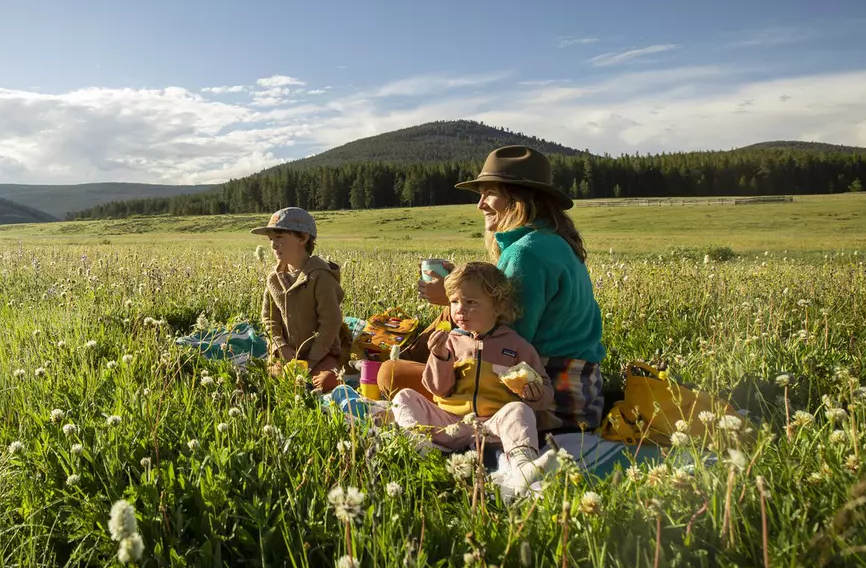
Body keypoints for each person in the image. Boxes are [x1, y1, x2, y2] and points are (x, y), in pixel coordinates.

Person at [378, 145, 606, 431]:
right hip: (584, 390)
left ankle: (392, 359)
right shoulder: (554, 241)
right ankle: (408, 355)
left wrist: (451, 300)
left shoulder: (525, 254)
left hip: (545, 395)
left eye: (489, 193)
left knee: (390, 374)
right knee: (448, 317)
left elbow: (503, 340)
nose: (480, 204)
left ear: (519, 199)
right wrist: (462, 290)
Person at [389, 262, 555, 498]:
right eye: (454, 301)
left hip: (492, 427)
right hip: (450, 423)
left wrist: (536, 394)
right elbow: (438, 389)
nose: (460, 310)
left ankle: (523, 466)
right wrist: (439, 356)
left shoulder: (516, 346)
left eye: (470, 302)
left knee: (519, 411)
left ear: (498, 306)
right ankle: (417, 444)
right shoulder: (450, 341)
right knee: (404, 397)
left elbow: (545, 390)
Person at [251, 207, 348, 393]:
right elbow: (269, 319)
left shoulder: (320, 277)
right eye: (271, 239)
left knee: (327, 381)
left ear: (303, 238)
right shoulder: (274, 279)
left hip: (322, 354)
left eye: (280, 237)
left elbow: (330, 322)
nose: (273, 245)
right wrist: (281, 347)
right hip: (288, 353)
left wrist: (311, 361)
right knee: (270, 379)